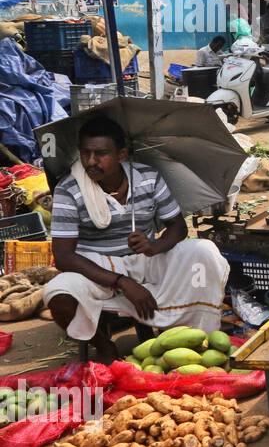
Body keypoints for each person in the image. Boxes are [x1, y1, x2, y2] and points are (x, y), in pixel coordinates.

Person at [45, 117, 230, 358]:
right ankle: (105, 348)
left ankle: (195, 336)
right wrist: (122, 281)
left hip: (148, 261)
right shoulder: (68, 190)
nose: (91, 161)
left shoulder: (148, 177)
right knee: (58, 294)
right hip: (98, 267)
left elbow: (177, 227)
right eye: (86, 153)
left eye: (101, 154)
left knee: (203, 251)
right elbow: (64, 257)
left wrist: (154, 245)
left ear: (121, 154)